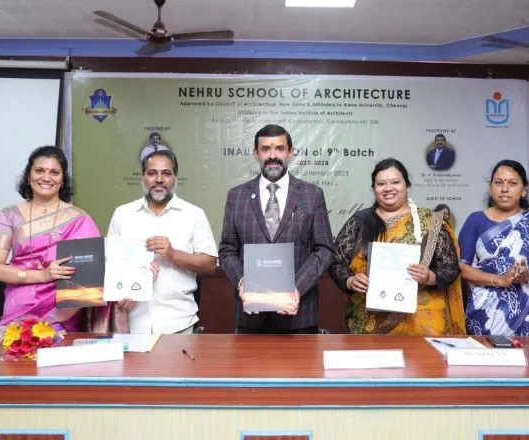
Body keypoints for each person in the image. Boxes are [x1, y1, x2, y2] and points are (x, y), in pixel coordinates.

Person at [0, 146, 121, 332]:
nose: (46, 178)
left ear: (63, 179)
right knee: (16, 355)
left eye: (54, 172)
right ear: (28, 175)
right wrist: (41, 275)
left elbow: (91, 275)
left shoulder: (79, 219)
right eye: (39, 170)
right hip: (18, 308)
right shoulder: (10, 215)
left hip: (62, 313)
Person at [219, 124, 334, 334]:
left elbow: (324, 249)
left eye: (279, 148)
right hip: (250, 316)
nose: (273, 155)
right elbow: (227, 250)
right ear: (255, 153)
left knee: (300, 369)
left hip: (298, 317)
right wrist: (243, 282)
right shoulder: (237, 197)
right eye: (265, 149)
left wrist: (294, 287)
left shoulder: (312, 194)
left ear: (290, 152)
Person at [329, 158, 466, 335]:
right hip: (368, 320)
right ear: (373, 189)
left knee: (419, 363)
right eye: (381, 184)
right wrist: (350, 280)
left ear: (407, 186)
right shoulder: (360, 221)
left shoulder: (430, 222)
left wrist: (429, 277)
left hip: (420, 320)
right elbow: (335, 260)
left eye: (395, 182)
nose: (388, 188)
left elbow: (450, 267)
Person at [458, 159, 529, 336]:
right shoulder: (475, 221)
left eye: (512, 183)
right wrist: (500, 280)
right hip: (485, 314)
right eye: (498, 183)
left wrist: (528, 276)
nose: (504, 189)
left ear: (524, 190)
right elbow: (461, 268)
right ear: (490, 188)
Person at [109, 149, 217, 334]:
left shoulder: (194, 215)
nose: (159, 179)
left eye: (166, 173)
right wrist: (121, 294)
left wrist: (173, 254)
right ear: (143, 177)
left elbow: (210, 265)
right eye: (152, 173)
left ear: (176, 177)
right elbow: (110, 265)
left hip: (180, 323)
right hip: (132, 323)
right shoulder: (122, 214)